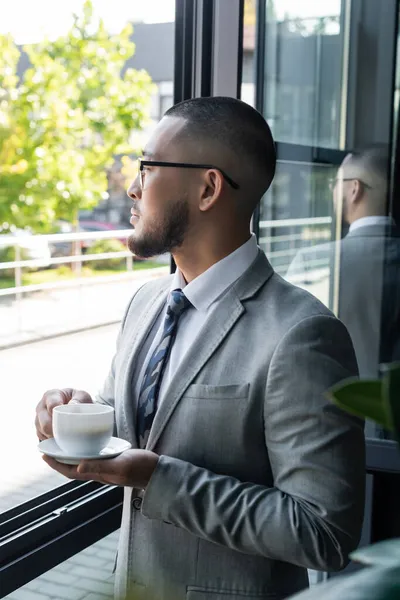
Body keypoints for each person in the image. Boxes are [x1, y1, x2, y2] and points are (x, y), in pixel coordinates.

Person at [36, 97, 365, 600]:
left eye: (146, 166)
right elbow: (130, 428)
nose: (132, 186)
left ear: (208, 188)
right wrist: (79, 414)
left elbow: (323, 533)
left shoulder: (303, 334)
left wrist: (158, 478)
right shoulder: (145, 302)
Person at [287, 147, 400, 381]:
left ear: (354, 189)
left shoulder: (314, 262)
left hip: (339, 411)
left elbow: (289, 351)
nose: (333, 190)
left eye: (336, 182)